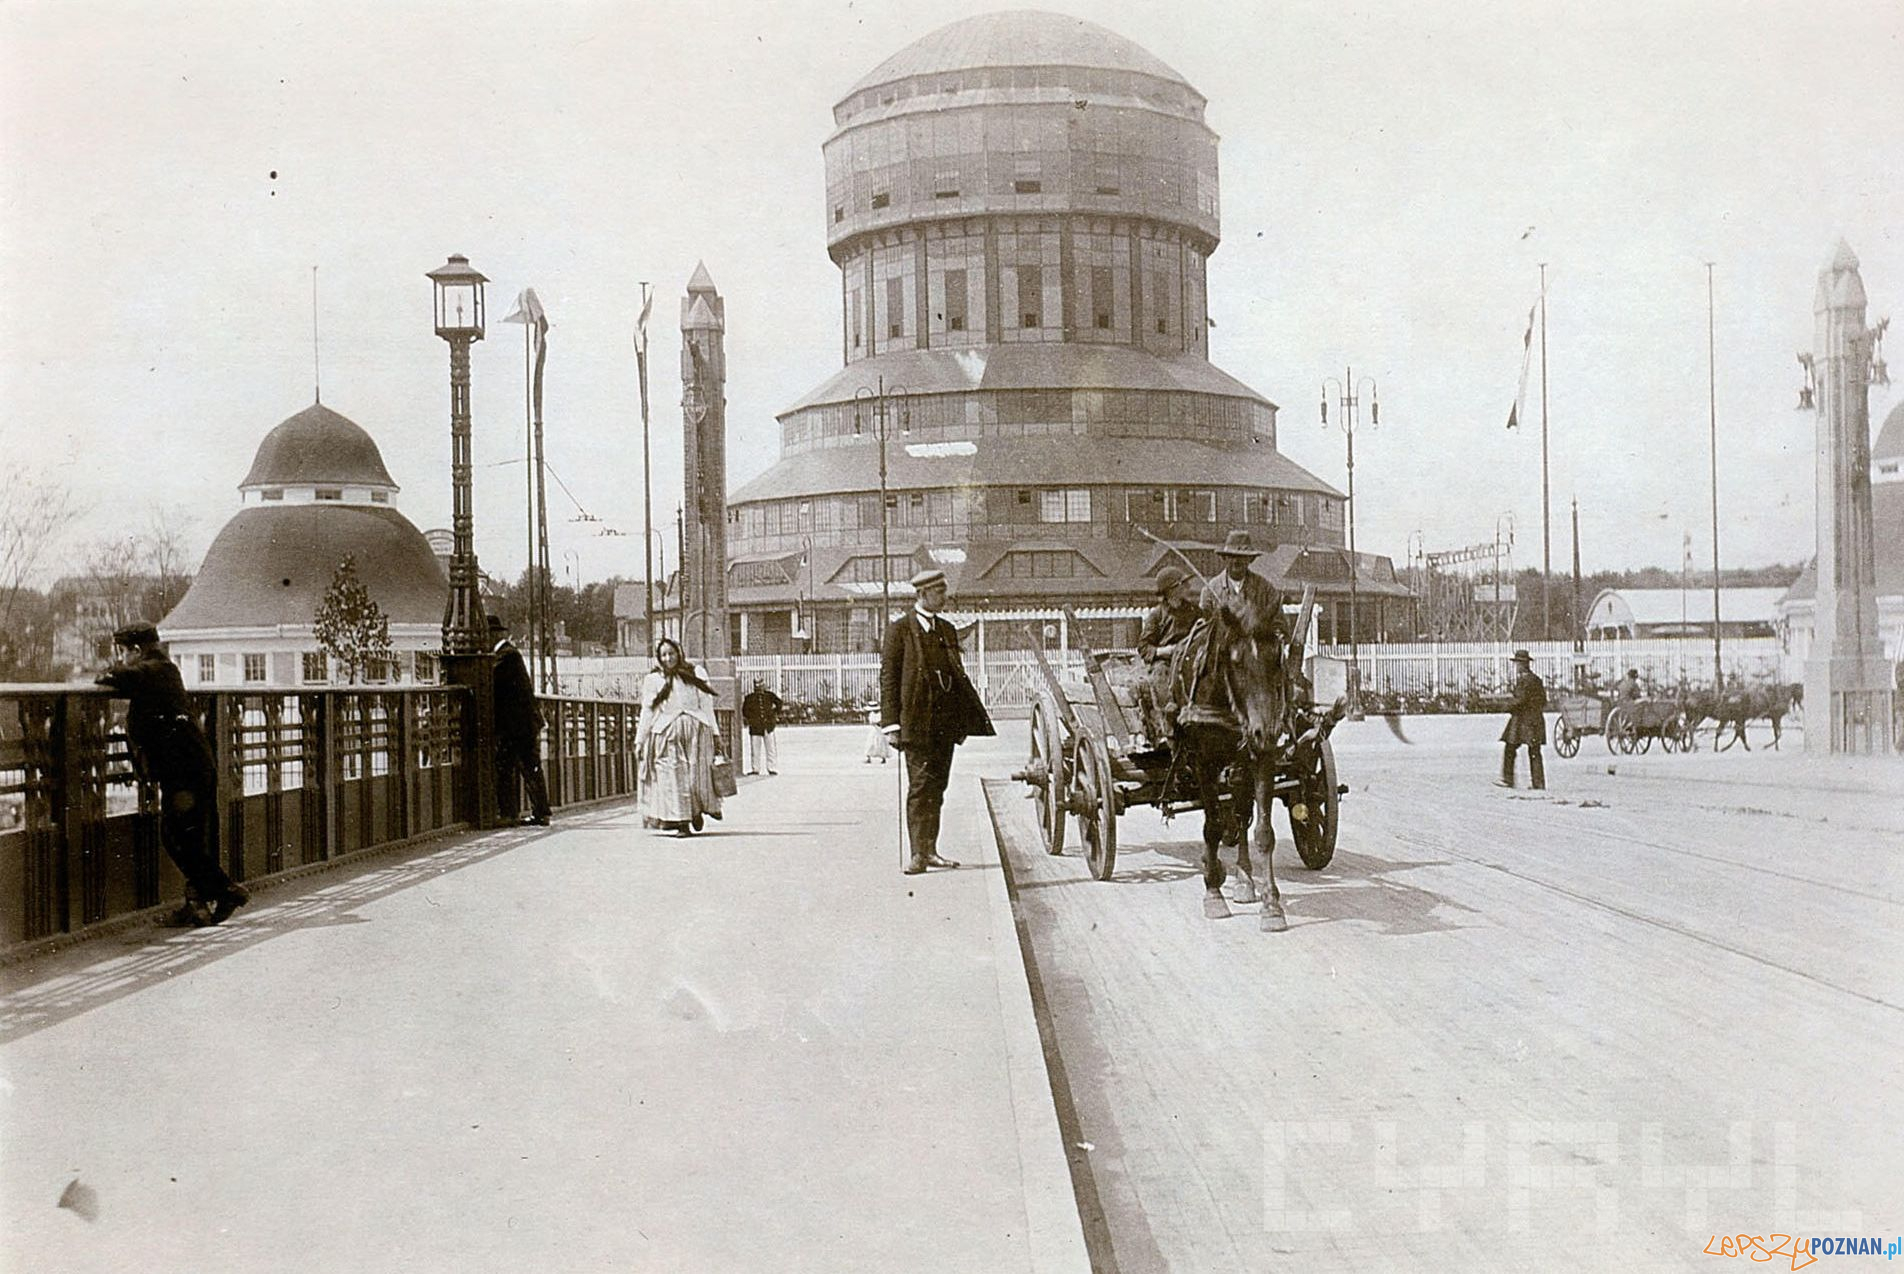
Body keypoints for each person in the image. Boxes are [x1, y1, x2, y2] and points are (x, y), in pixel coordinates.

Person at [95, 622, 249, 926]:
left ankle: (226, 890)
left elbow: (117, 676)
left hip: (184, 769)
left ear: (137, 651)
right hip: (189, 765)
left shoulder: (157, 669)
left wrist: (108, 672)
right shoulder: (163, 671)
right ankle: (199, 905)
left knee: (176, 835)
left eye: (125, 652)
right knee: (188, 835)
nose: (124, 658)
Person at [881, 568, 994, 874]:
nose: (944, 597)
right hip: (915, 726)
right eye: (939, 592)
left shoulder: (946, 629)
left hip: (944, 726)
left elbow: (956, 674)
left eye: (944, 591)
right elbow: (889, 680)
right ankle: (918, 854)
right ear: (923, 594)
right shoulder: (899, 630)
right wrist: (891, 725)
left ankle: (931, 850)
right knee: (920, 787)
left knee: (938, 788)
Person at [636, 638, 723, 836]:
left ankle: (695, 812)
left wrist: (716, 734)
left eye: (671, 653)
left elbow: (707, 706)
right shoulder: (654, 680)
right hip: (666, 733)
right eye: (663, 655)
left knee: (695, 777)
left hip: (696, 730)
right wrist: (640, 740)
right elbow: (647, 711)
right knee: (672, 777)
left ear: (679, 653)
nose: (668, 658)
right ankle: (681, 822)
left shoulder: (696, 673)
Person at [489, 615, 552, 826]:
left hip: (518, 725)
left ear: (494, 635)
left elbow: (489, 677)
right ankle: (540, 813)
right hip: (523, 723)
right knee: (529, 766)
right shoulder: (509, 653)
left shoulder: (506, 655)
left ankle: (509, 814)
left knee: (507, 766)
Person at [1136, 566, 1201, 741]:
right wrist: (1164, 651)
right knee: (1160, 676)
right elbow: (1143, 646)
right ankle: (1168, 724)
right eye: (1183, 584)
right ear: (1172, 590)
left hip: (1191, 659)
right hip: (1166, 662)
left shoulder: (1194, 611)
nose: (1188, 587)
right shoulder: (1157, 616)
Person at [1199, 530, 1285, 638]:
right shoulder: (1211, 591)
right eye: (1231, 557)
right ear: (1225, 558)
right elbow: (1204, 629)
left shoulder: (1266, 589)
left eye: (1241, 557)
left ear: (1250, 559)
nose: (1236, 561)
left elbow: (1279, 625)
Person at [1498, 649, 1547, 790]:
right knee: (1534, 751)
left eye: (1518, 663)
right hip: (1535, 719)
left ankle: (1508, 779)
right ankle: (1539, 783)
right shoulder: (1536, 680)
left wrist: (1506, 706)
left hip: (1523, 721)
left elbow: (1520, 700)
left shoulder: (1525, 681)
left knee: (1510, 748)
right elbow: (1543, 700)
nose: (1517, 666)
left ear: (1523, 664)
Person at [740, 677, 783, 775]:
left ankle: (771, 767)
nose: (759, 687)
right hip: (755, 727)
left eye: (760, 684)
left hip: (768, 726)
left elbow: (779, 703)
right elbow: (745, 711)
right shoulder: (749, 698)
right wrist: (751, 719)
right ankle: (756, 768)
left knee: (770, 748)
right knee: (755, 748)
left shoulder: (770, 696)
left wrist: (774, 714)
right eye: (757, 685)